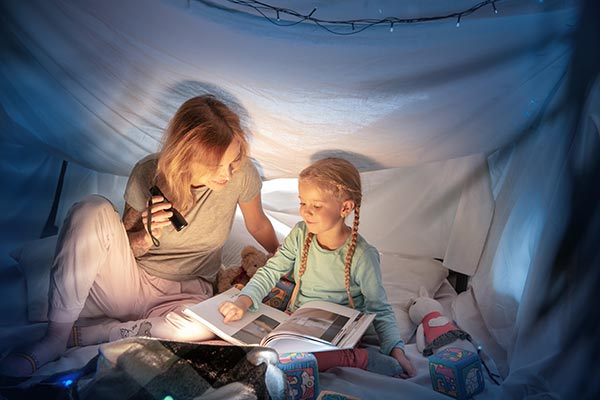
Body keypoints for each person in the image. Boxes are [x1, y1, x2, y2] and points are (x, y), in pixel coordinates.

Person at [0, 94, 279, 377]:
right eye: (217, 166)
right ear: (188, 155)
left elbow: (257, 225)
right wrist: (146, 234)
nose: (228, 174)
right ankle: (54, 338)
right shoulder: (148, 173)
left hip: (188, 293)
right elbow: (117, 244)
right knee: (91, 208)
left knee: (205, 327)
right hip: (130, 283)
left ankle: (91, 335)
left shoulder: (242, 175)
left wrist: (286, 258)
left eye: (232, 162)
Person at [219, 157, 416, 378]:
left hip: (338, 333)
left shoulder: (363, 256)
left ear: (345, 208)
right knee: (250, 346)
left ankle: (359, 358)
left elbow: (379, 309)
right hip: (297, 322)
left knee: (296, 358)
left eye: (316, 205)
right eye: (303, 202)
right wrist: (243, 301)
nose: (306, 211)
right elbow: (270, 270)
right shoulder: (300, 234)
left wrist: (396, 351)